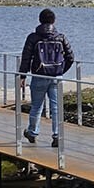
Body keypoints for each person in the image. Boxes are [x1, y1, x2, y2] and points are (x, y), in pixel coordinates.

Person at [18, 8, 75, 147]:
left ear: (40, 20)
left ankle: (32, 132)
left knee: (36, 105)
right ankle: (57, 135)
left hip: (38, 75)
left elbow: (26, 57)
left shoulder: (33, 37)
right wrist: (61, 70)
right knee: (56, 107)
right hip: (56, 76)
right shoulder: (61, 37)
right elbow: (71, 57)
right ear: (54, 21)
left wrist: (22, 75)